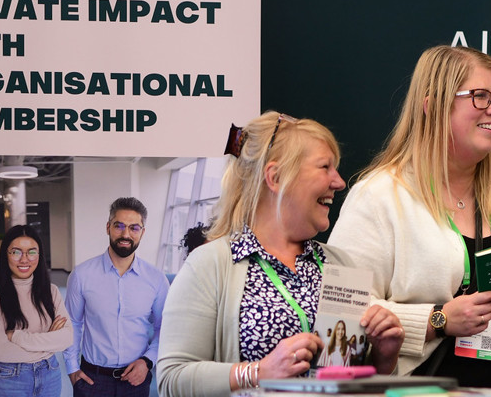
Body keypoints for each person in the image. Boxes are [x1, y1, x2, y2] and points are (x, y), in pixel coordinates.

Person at [328, 45, 491, 389]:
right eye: (481, 96)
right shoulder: (380, 196)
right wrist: (438, 320)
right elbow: (340, 316)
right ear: (433, 106)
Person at [157, 112, 404, 396]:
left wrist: (384, 358)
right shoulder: (211, 264)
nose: (339, 182)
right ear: (275, 177)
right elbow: (171, 381)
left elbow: (349, 383)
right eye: (325, 167)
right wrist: (259, 372)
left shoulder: (339, 264)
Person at [64, 197, 171, 397]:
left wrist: (148, 361)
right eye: (119, 226)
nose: (125, 234)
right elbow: (73, 323)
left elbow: (164, 328)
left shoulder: (156, 280)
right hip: (91, 380)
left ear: (143, 232)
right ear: (108, 227)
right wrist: (71, 369)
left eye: (134, 228)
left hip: (136, 379)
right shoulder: (82, 275)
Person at [0, 225, 73, 397]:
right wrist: (50, 342)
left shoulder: (51, 291)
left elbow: (67, 338)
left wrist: (17, 337)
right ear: (6, 255)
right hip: (12, 378)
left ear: (39, 255)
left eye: (32, 252)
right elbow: (0, 351)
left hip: (50, 373)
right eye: (16, 252)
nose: (25, 259)